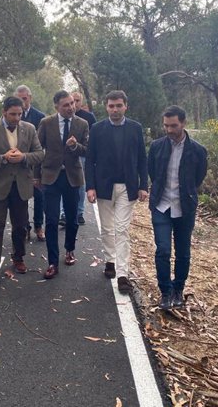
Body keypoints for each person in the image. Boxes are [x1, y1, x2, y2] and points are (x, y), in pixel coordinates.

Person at [85, 90, 148, 295]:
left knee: (122, 229)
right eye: (111, 106)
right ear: (106, 107)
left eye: (119, 105)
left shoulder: (135, 128)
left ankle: (122, 274)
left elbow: (141, 158)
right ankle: (110, 261)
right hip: (104, 186)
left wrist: (143, 186)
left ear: (125, 106)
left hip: (127, 187)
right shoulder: (97, 129)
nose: (115, 109)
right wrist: (90, 186)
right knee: (107, 228)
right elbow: (90, 160)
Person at [0, 96, 44, 280]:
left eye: (20, 114)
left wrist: (23, 157)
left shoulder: (29, 129)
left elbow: (39, 154)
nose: (16, 118)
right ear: (4, 112)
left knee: (20, 226)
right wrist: (3, 158)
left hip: (21, 186)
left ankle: (18, 257)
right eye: (13, 114)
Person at [148, 105, 208, 310]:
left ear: (183, 123)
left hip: (185, 208)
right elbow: (153, 173)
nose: (169, 130)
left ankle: (178, 290)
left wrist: (187, 193)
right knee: (163, 250)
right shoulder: (156, 147)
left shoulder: (198, 151)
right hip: (161, 206)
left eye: (173, 126)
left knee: (183, 252)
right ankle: (165, 292)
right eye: (166, 126)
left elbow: (199, 177)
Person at [35, 90, 89, 279]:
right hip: (50, 176)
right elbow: (37, 149)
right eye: (66, 105)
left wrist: (75, 146)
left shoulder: (82, 124)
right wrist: (36, 176)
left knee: (72, 219)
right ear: (57, 106)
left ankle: (70, 250)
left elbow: (87, 150)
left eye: (72, 103)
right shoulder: (46, 123)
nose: (71, 107)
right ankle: (52, 261)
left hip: (72, 177)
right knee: (51, 220)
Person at [15, 84, 46, 241]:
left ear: (30, 98)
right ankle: (25, 227)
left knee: (39, 198)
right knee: (22, 199)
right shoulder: (14, 116)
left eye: (24, 99)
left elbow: (42, 146)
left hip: (35, 165)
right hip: (18, 166)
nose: (22, 101)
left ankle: (39, 226)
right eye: (19, 99)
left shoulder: (40, 117)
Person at [71, 91, 97, 226]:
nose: (74, 104)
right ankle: (65, 213)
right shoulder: (66, 115)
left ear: (81, 102)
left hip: (83, 154)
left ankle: (79, 212)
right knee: (65, 182)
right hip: (67, 155)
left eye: (77, 100)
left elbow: (94, 136)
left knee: (80, 184)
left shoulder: (88, 117)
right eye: (72, 101)